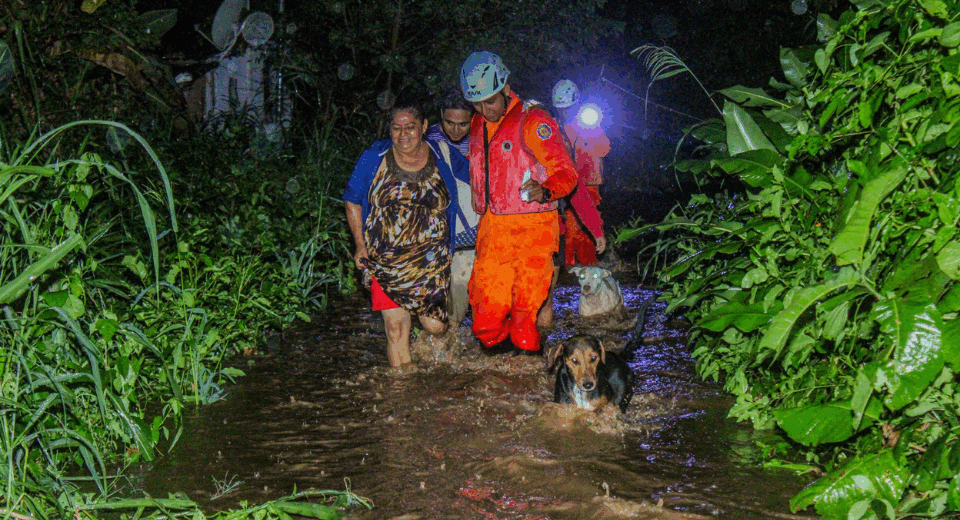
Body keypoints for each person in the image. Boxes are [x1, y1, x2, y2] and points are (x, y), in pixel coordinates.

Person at [460, 51, 578, 354]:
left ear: (506, 88)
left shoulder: (534, 119)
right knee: (484, 321)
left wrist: (545, 190)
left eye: (490, 101)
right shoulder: (477, 123)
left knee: (525, 322)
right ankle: (501, 366)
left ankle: (527, 365)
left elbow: (567, 174)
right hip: (493, 228)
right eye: (476, 103)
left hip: (533, 229)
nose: (484, 110)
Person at [343, 99, 466, 370]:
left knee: (435, 325)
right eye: (396, 128)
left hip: (431, 260)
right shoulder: (374, 156)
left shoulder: (442, 154)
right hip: (384, 257)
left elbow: (479, 176)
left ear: (424, 126)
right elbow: (352, 200)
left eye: (410, 127)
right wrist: (360, 245)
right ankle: (404, 388)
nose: (403, 135)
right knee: (395, 328)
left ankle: (442, 342)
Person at [427, 91, 481, 329]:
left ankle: (455, 336)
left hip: (469, 229)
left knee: (460, 288)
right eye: (450, 123)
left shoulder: (481, 137)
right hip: (436, 229)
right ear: (441, 116)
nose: (456, 130)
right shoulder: (426, 140)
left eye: (463, 124)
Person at [552, 78, 611, 266]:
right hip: (565, 186)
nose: (565, 112)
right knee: (567, 232)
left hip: (588, 185)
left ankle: (588, 268)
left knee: (585, 232)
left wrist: (593, 129)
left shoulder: (589, 126)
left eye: (569, 108)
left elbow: (604, 149)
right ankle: (569, 269)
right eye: (562, 109)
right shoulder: (554, 127)